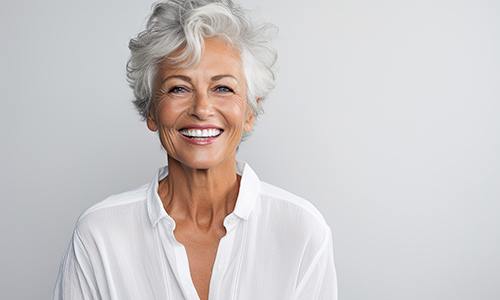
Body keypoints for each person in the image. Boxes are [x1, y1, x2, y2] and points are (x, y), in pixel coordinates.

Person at [52, 0, 338, 299]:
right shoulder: (99, 233)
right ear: (151, 111)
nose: (202, 108)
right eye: (179, 88)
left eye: (223, 88)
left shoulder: (302, 230)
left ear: (250, 112)